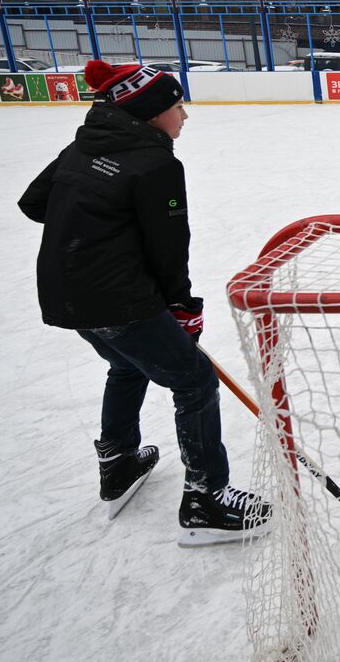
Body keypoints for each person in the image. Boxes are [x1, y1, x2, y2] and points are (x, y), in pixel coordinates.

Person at [17, 59, 272, 545]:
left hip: (66, 293)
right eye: (178, 106)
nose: (184, 116)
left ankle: (118, 462)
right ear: (153, 112)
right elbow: (168, 247)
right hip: (119, 298)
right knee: (195, 382)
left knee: (128, 366)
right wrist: (182, 306)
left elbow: (35, 204)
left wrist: (90, 227)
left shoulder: (84, 145)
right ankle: (207, 499)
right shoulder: (156, 163)